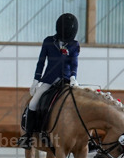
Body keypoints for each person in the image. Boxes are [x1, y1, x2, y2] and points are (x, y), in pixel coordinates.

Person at [20, 13, 81, 149]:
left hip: (67, 80)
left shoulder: (74, 45)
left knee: (80, 104)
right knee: (33, 104)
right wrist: (36, 81)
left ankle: (84, 139)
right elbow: (41, 62)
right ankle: (28, 136)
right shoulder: (48, 41)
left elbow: (74, 63)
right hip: (50, 79)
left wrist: (73, 77)